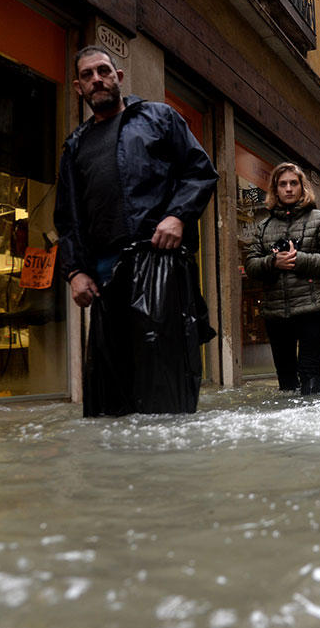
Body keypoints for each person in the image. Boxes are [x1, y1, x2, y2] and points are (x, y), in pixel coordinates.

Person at [53, 46, 218, 416]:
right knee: (110, 391)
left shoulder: (159, 118)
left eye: (103, 71)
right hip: (105, 275)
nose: (97, 79)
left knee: (164, 381)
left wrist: (177, 216)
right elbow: (68, 217)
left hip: (159, 262)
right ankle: (119, 470)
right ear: (78, 87)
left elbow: (200, 172)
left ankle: (167, 466)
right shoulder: (75, 146)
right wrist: (75, 271)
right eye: (87, 75)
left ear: (119, 77)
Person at [244, 162, 320, 395]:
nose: (288, 188)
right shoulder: (264, 226)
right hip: (277, 311)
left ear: (302, 187)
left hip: (313, 308)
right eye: (283, 184)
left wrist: (299, 260)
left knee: (309, 371)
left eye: (293, 183)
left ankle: (313, 424)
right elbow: (250, 266)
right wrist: (273, 262)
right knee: (286, 380)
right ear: (275, 189)